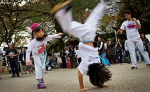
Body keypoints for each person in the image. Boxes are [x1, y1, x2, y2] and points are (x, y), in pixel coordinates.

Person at [53, 0, 112, 91]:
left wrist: (102, 83)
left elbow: (100, 70)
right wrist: (82, 87)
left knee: (94, 16)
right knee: (67, 28)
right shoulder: (86, 65)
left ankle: (103, 3)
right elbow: (80, 75)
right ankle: (64, 10)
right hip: (86, 35)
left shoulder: (97, 61)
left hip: (90, 34)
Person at [26, 23, 63, 89]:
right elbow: (28, 51)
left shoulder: (45, 38)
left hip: (43, 55)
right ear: (35, 33)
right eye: (39, 32)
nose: (41, 33)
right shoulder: (33, 42)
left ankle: (41, 77)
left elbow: (52, 36)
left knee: (43, 68)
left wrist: (58, 35)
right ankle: (39, 83)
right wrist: (27, 60)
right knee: (39, 67)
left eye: (42, 31)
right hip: (36, 55)